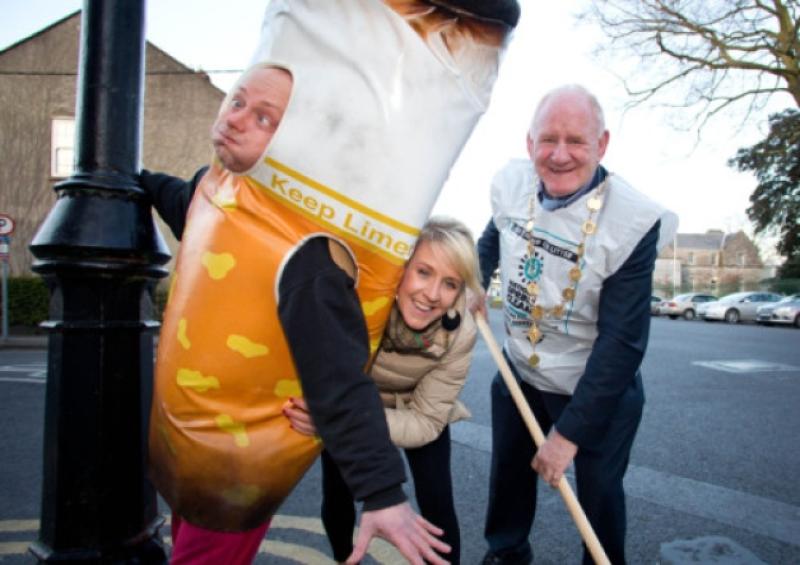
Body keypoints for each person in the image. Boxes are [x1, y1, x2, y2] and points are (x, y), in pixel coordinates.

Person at [141, 63, 449, 565]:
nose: (238, 119)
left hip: (235, 471)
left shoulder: (305, 253)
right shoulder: (218, 190)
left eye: (265, 119)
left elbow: (340, 377)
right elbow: (185, 205)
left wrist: (382, 492)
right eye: (237, 101)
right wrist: (128, 182)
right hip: (187, 445)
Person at [476, 84, 678, 565]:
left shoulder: (633, 220)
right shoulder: (513, 184)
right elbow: (491, 239)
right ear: (529, 145)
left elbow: (623, 342)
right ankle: (505, 555)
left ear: (602, 144)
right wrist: (472, 280)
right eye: (548, 140)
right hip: (521, 370)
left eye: (576, 141)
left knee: (599, 490)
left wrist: (567, 436)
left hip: (595, 383)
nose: (560, 155)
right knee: (509, 475)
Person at [284, 216, 483, 564]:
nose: (432, 294)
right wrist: (335, 412)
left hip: (416, 412)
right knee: (337, 496)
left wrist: (342, 419)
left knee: (438, 503)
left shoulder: (461, 332)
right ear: (402, 267)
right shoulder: (362, 298)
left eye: (450, 283)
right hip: (354, 400)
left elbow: (426, 421)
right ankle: (345, 558)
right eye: (423, 272)